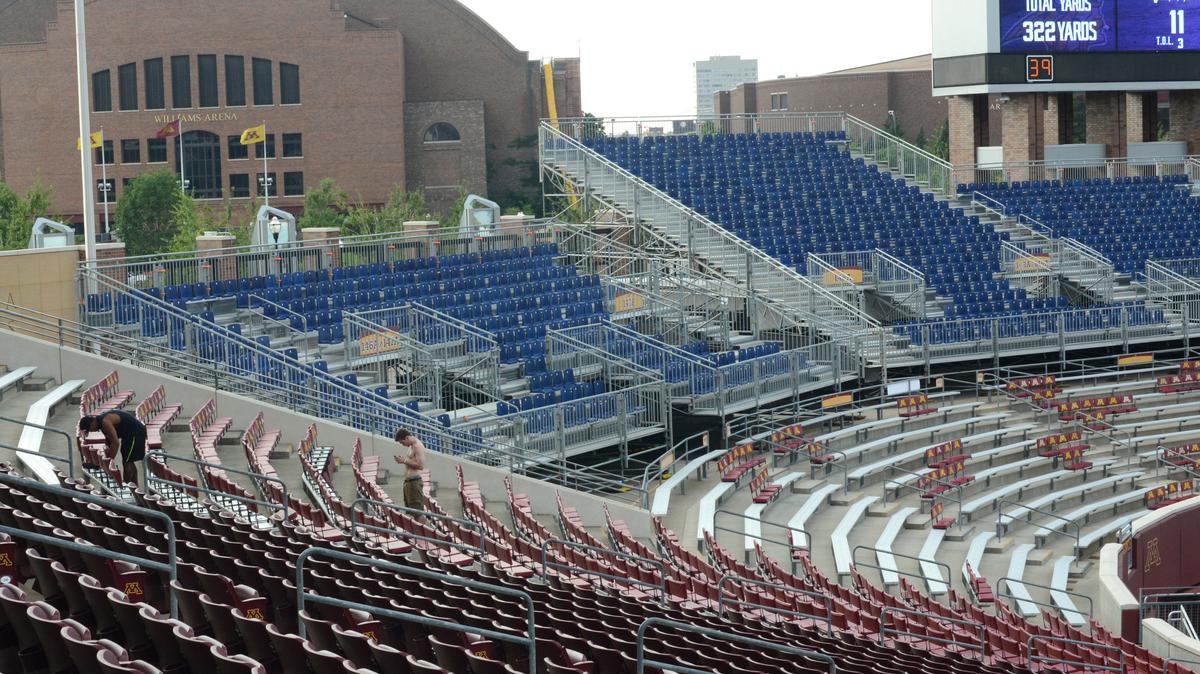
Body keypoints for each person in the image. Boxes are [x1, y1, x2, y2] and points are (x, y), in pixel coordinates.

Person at [79, 410, 147, 487]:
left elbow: (115, 443)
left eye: (90, 429)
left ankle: (125, 486)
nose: (91, 431)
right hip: (128, 435)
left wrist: (109, 461)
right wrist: (106, 456)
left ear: (92, 423)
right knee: (128, 460)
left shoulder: (105, 422)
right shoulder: (100, 423)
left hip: (135, 433)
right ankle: (134, 487)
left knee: (127, 461)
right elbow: (109, 440)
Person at [393, 428, 426, 514]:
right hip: (409, 483)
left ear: (407, 438)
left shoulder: (417, 446)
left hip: (414, 482)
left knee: (418, 513)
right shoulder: (411, 446)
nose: (403, 445)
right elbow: (411, 461)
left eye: (402, 442)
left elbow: (420, 466)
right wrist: (402, 460)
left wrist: (404, 461)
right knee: (412, 512)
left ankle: (419, 528)